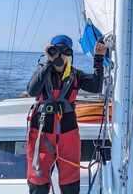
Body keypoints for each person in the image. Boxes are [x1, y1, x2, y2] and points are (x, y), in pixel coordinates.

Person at [26, 34, 106, 194]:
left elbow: (96, 86)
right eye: (56, 50)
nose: (60, 55)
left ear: (69, 54)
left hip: (67, 133)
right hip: (42, 133)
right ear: (50, 51)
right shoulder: (42, 71)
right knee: (38, 180)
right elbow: (32, 90)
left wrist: (98, 59)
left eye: (65, 51)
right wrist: (49, 62)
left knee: (70, 181)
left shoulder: (76, 75)